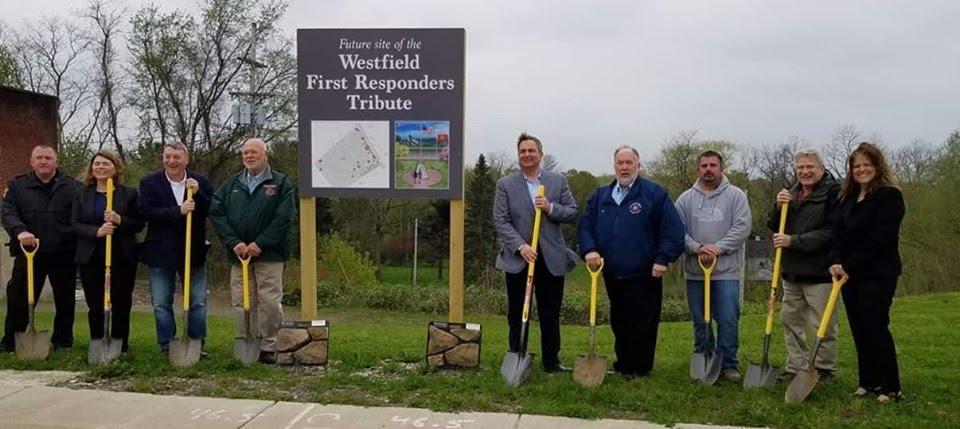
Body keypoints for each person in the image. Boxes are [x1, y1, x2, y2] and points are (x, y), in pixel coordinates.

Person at [577, 145, 684, 377]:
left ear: (638, 165)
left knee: (643, 323)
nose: (625, 167)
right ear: (614, 166)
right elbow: (585, 226)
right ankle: (624, 363)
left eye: (629, 163)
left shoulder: (654, 194)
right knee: (620, 321)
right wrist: (589, 250)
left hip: (645, 272)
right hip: (612, 272)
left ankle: (641, 367)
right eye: (620, 163)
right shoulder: (601, 196)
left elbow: (673, 229)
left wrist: (663, 258)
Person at [493, 132, 579, 373]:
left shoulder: (557, 181)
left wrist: (550, 207)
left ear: (540, 155)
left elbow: (572, 211)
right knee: (517, 311)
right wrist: (520, 246)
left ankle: (551, 361)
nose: (527, 155)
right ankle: (516, 355)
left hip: (551, 258)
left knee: (550, 313)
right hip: (519, 258)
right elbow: (501, 220)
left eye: (531, 151)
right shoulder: (506, 185)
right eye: (522, 151)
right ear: (518, 155)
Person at [828, 142, 905, 403]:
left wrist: (848, 264)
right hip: (850, 275)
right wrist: (836, 260)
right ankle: (868, 382)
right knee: (859, 328)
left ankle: (891, 386)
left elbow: (880, 238)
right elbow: (838, 234)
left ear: (877, 166)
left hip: (878, 273)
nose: (861, 170)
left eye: (866, 165)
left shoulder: (889, 196)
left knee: (876, 326)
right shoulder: (848, 197)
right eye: (857, 165)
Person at [210, 138, 296, 363]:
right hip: (239, 256)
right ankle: (246, 341)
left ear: (265, 155)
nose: (249, 156)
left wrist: (261, 243)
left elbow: (283, 218)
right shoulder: (232, 184)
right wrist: (234, 242)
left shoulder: (281, 183)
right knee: (242, 300)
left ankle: (270, 345)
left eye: (254, 152)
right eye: (245, 153)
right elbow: (217, 213)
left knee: (269, 301)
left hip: (269, 255)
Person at [675, 150, 751, 382]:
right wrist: (698, 248)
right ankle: (704, 356)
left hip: (727, 271)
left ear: (721, 168)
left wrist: (717, 248)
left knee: (728, 318)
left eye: (713, 165)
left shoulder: (736, 196)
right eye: (704, 165)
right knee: (701, 319)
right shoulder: (685, 199)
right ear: (698, 169)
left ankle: (729, 364)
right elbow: (677, 231)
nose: (708, 169)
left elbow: (742, 228)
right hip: (696, 272)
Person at [767, 148, 841, 380]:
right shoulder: (791, 192)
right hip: (791, 272)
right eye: (801, 168)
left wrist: (793, 241)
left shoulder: (834, 194)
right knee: (791, 322)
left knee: (823, 324)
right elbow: (773, 224)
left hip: (820, 271)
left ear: (821, 168)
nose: (805, 172)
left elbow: (831, 232)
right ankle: (796, 367)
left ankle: (823, 368)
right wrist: (778, 207)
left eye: (810, 167)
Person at [1, 145, 81, 351]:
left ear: (56, 162)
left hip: (63, 253)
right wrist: (20, 231)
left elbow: (78, 218)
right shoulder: (18, 186)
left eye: (48, 157)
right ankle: (11, 341)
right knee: (19, 297)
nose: (43, 161)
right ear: (32, 161)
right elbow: (8, 212)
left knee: (65, 299)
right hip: (29, 253)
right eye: (39, 158)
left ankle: (63, 341)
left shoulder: (73, 187)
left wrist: (66, 236)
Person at [138, 141, 215, 356]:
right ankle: (167, 344)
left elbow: (213, 210)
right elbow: (145, 212)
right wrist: (177, 211)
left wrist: (198, 194)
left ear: (186, 159)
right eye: (167, 157)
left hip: (194, 250)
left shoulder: (200, 182)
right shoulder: (150, 183)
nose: (171, 161)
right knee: (161, 301)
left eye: (176, 157)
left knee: (198, 300)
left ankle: (196, 342)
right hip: (160, 251)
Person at [72, 150, 144, 353]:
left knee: (121, 302)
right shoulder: (81, 193)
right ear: (91, 169)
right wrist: (97, 231)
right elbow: (74, 224)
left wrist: (119, 219)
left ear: (116, 168)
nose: (100, 167)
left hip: (121, 255)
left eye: (106, 164)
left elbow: (139, 224)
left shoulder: (129, 194)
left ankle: (120, 344)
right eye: (97, 164)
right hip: (91, 256)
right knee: (95, 303)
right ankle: (98, 341)